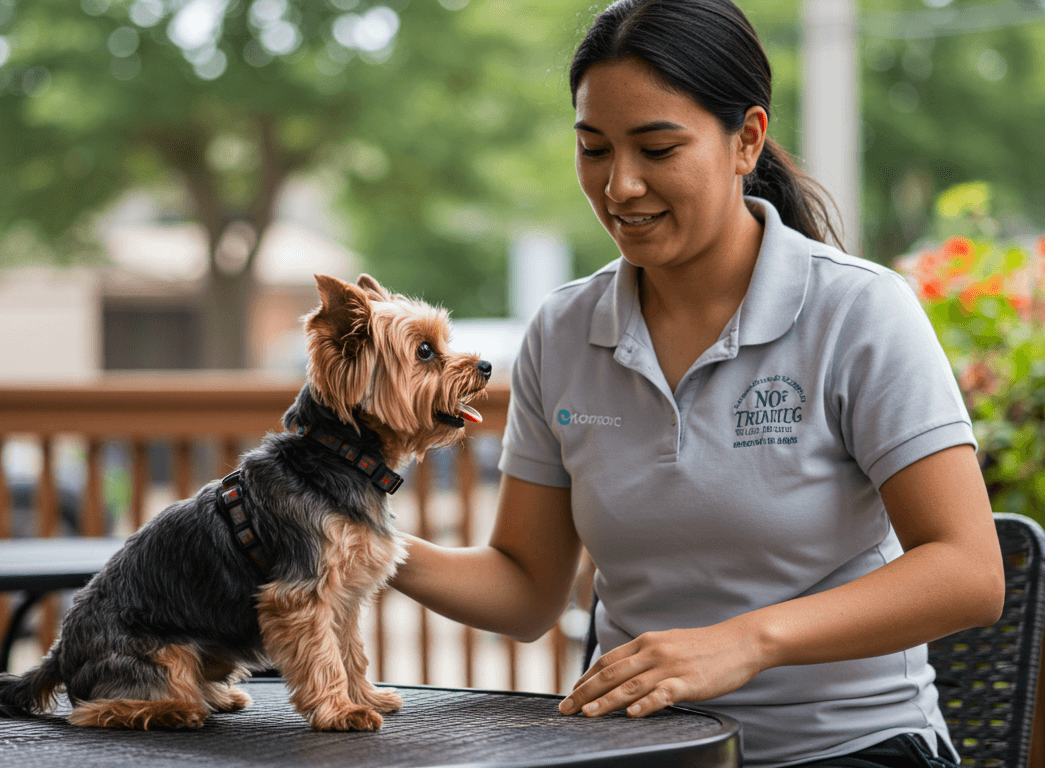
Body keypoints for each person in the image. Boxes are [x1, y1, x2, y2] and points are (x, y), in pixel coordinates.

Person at [388, 0, 1005, 766]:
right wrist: (362, 540)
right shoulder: (563, 331)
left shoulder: (858, 310)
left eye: (656, 148)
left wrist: (748, 642)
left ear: (746, 139)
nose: (620, 186)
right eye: (594, 148)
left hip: (847, 746)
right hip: (639, 751)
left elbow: (969, 571)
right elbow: (526, 587)